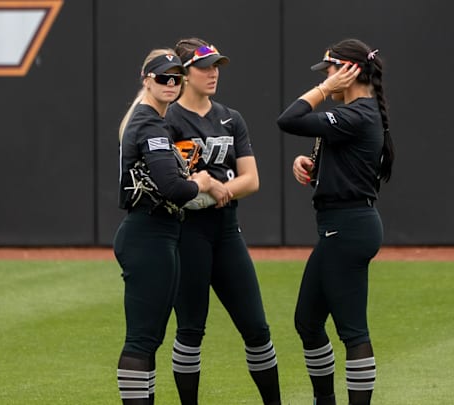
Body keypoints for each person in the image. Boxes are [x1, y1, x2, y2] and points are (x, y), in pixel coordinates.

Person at [276, 38, 394, 405]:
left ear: (349, 71)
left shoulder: (358, 112)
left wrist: (325, 89)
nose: (325, 77)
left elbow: (289, 119)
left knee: (352, 330)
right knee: (307, 322)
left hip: (348, 228)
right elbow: (342, 158)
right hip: (341, 225)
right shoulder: (356, 114)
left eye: (329, 69)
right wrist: (312, 168)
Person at [165, 38, 281, 405]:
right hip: (188, 232)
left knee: (257, 327)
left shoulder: (231, 117)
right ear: (184, 74)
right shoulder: (168, 119)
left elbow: (253, 180)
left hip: (227, 230)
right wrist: (212, 187)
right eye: (204, 67)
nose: (213, 72)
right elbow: (174, 184)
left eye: (216, 66)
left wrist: (217, 189)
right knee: (190, 330)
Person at [114, 48, 214, 404]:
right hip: (148, 234)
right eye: (162, 77)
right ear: (146, 80)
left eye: (175, 78)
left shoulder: (148, 120)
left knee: (150, 337)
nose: (170, 84)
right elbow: (173, 188)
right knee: (142, 339)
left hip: (159, 233)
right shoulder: (149, 123)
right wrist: (200, 183)